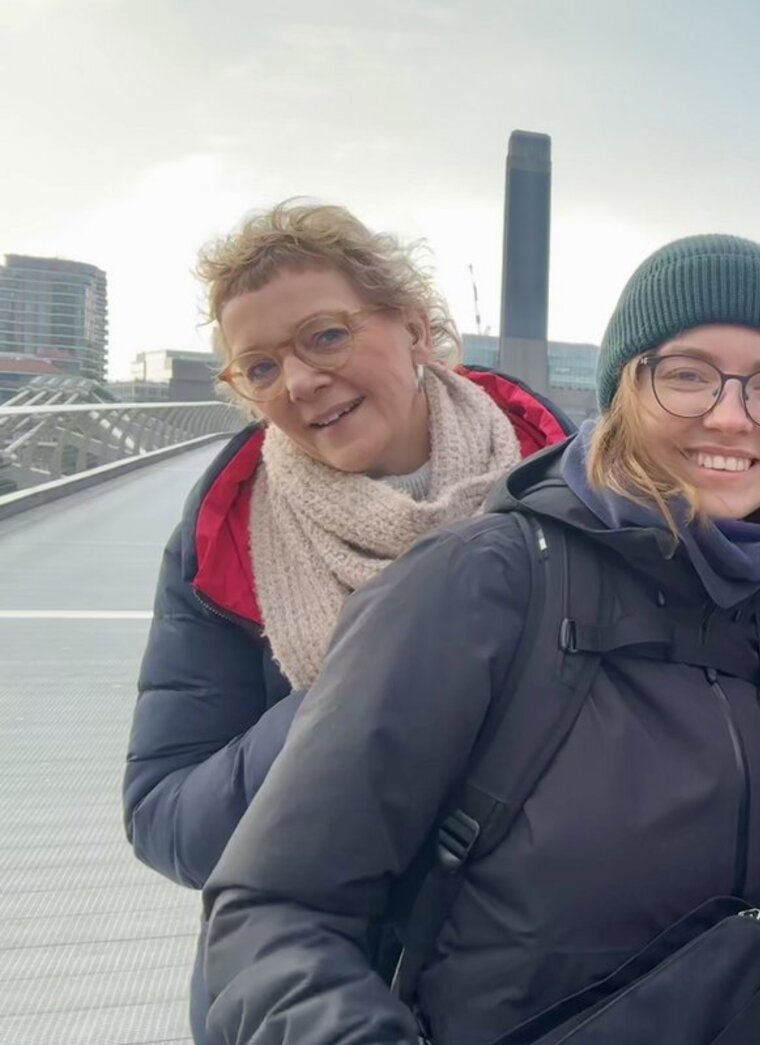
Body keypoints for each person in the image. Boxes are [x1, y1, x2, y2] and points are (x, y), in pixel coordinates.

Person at [200, 234, 760, 1044]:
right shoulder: (482, 582)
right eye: (687, 373)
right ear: (623, 390)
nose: (730, 413)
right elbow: (275, 912)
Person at [122, 201, 570, 1043]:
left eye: (324, 336)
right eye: (258, 368)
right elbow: (165, 816)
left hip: (546, 978)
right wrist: (365, 685)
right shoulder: (228, 533)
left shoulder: (564, 484)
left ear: (412, 325)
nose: (296, 383)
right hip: (318, 986)